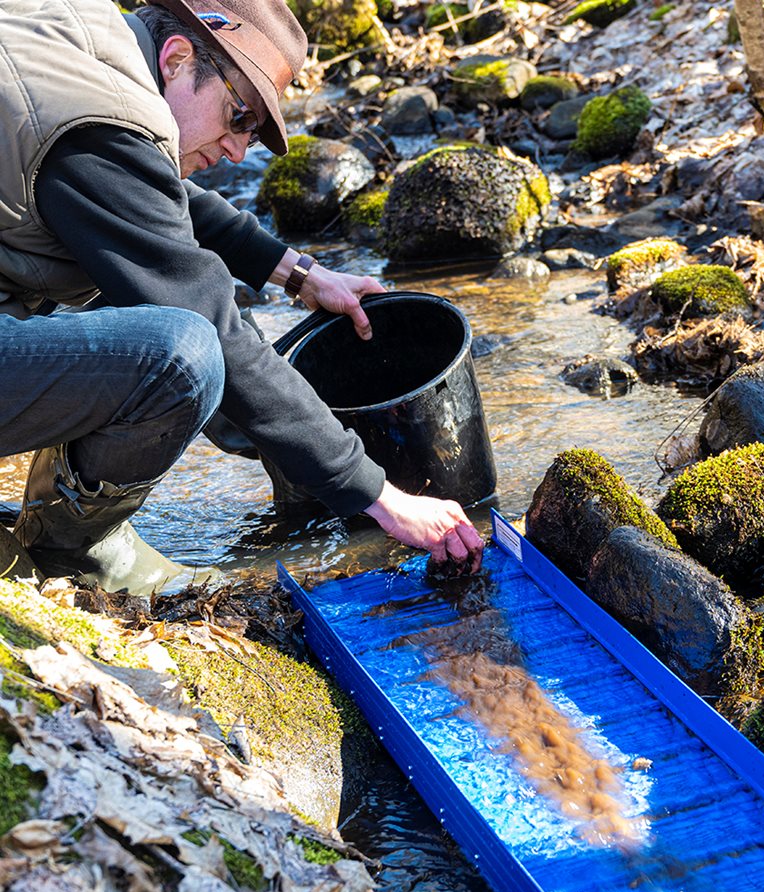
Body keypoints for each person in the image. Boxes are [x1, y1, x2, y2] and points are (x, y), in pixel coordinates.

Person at [0, 0, 484, 595]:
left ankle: (280, 446)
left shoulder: (79, 40)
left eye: (251, 132)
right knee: (185, 354)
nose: (236, 151)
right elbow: (206, 316)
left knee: (160, 295)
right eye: (237, 116)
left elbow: (162, 200)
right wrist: (380, 496)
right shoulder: (97, 131)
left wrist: (302, 275)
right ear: (177, 60)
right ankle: (69, 545)